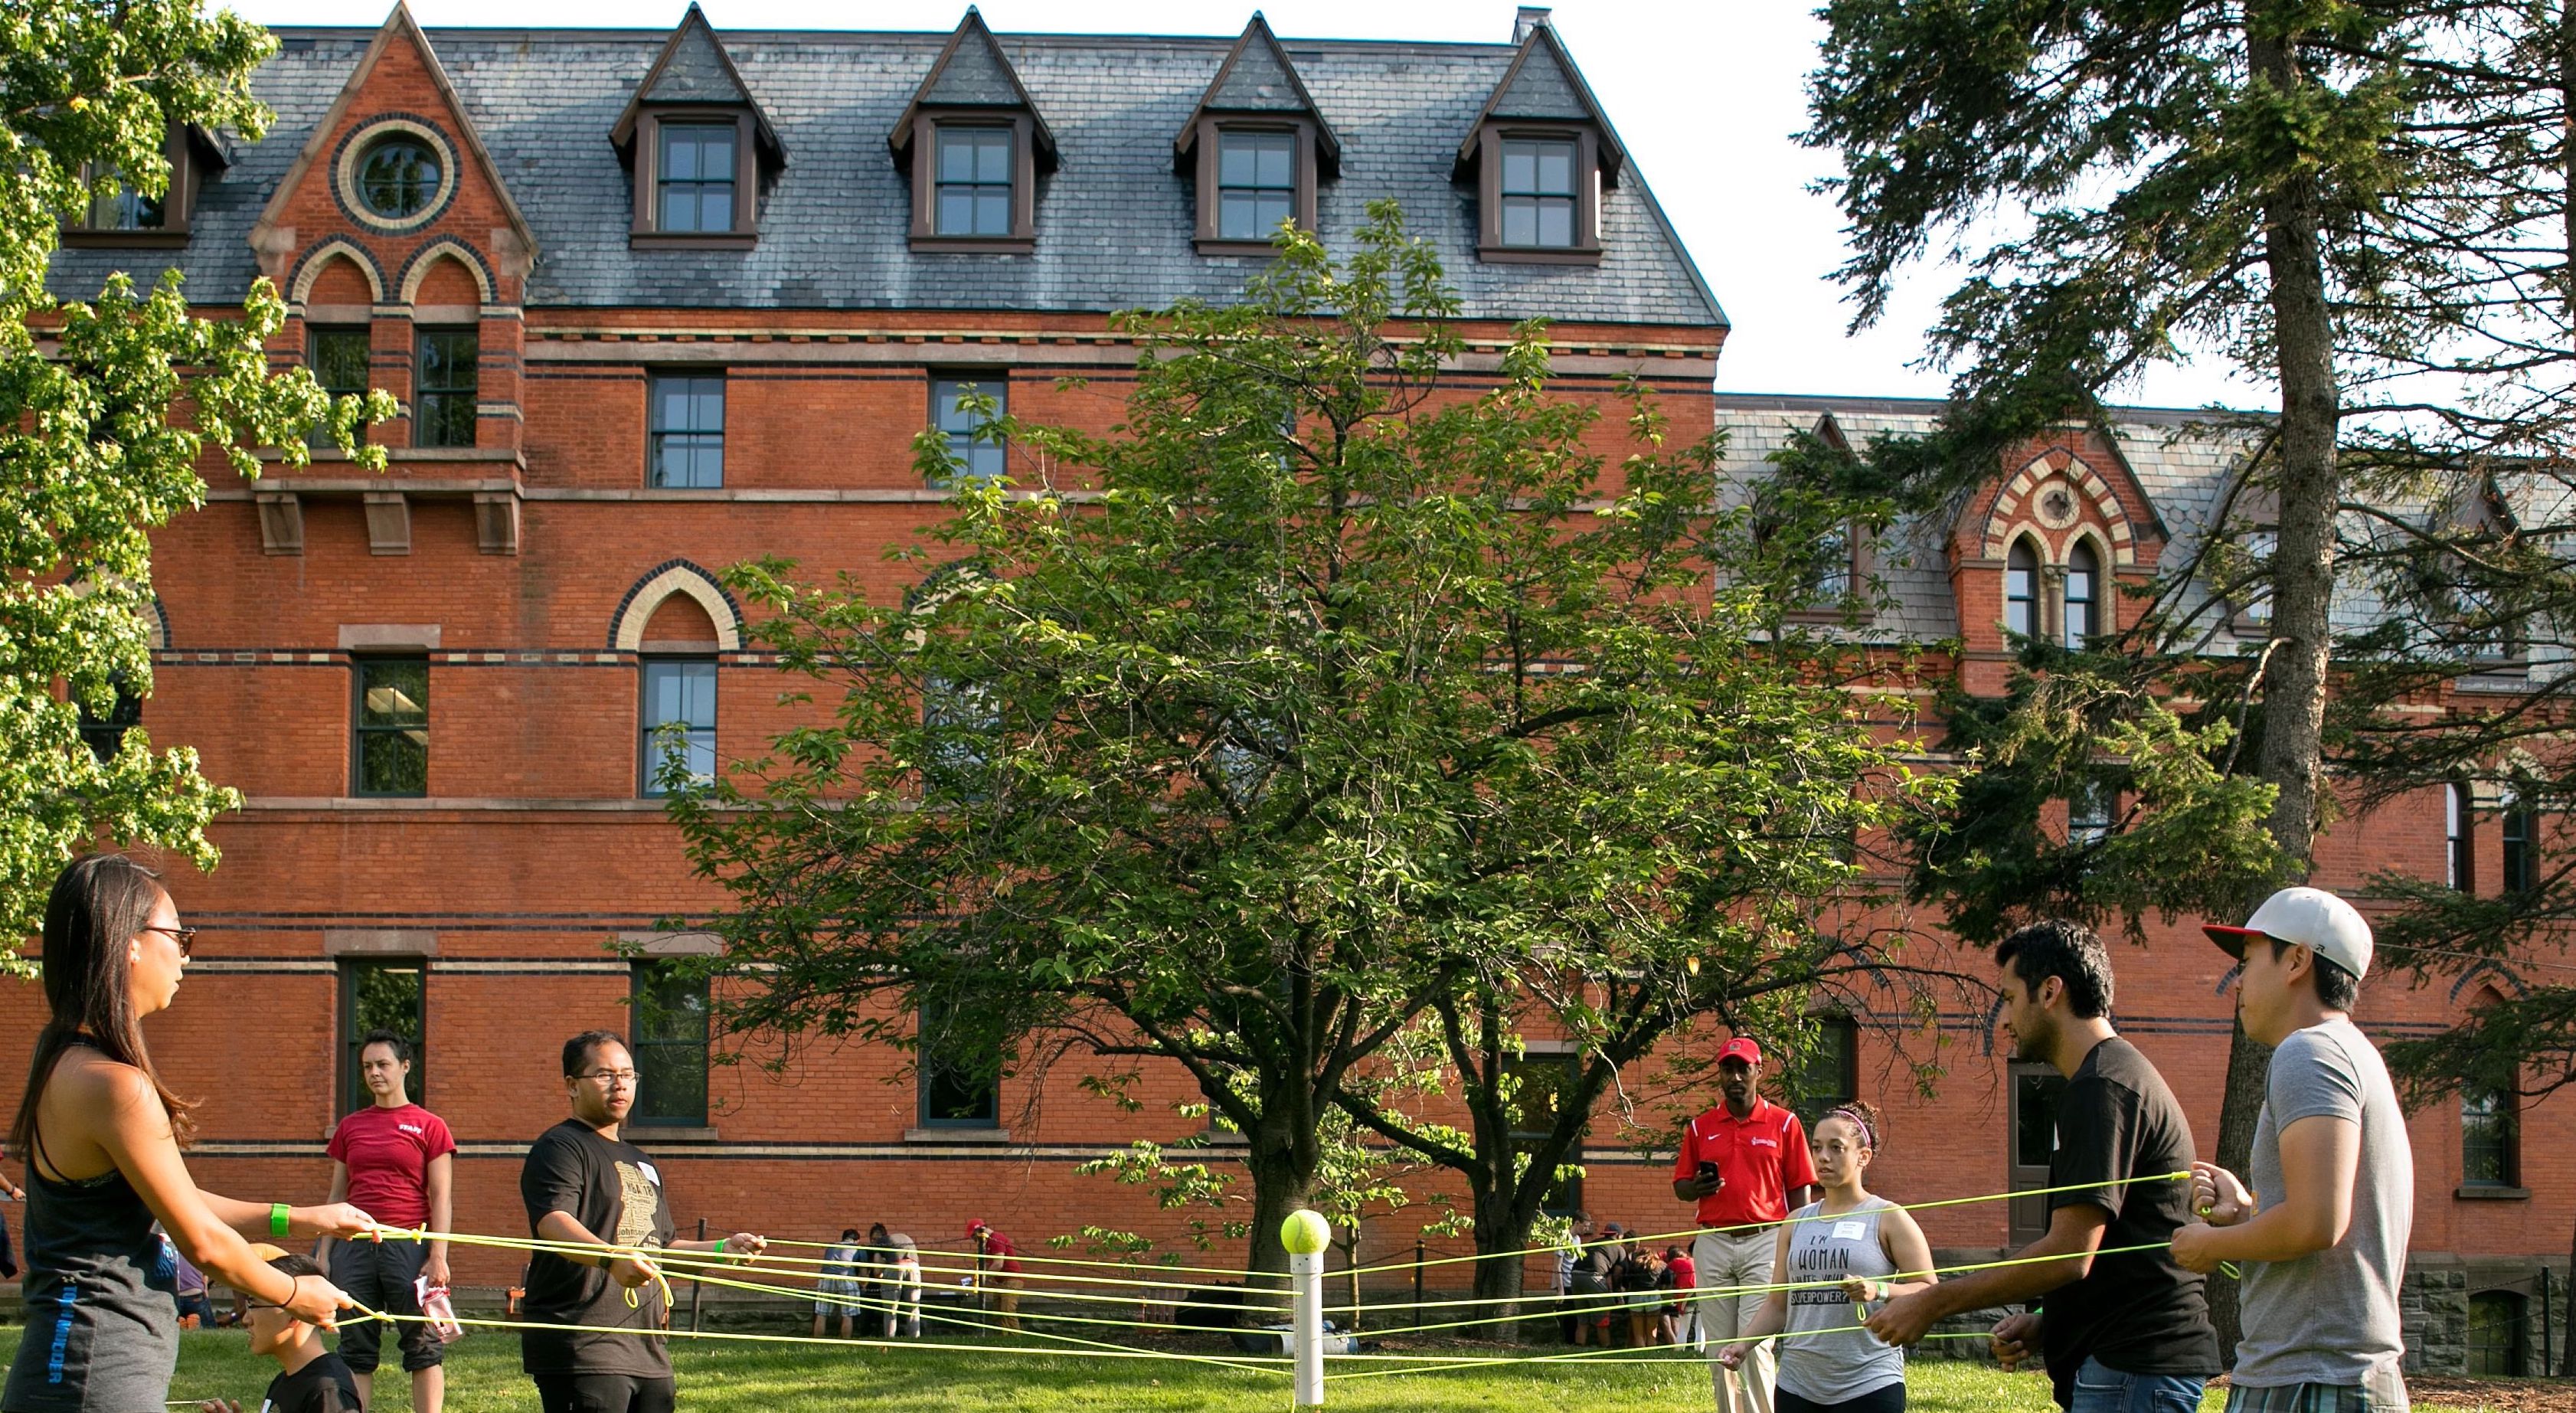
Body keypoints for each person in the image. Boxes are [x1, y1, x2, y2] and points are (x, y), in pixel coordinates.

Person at [2, 854, 374, 1413]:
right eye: (179, 935)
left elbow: (177, 1199)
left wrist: (300, 1217)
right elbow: (203, 1243)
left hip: (78, 1372)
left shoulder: (68, 1060)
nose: (184, 954)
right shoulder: (114, 1086)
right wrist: (296, 1293)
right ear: (127, 940)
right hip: (91, 1376)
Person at [1866, 920, 2219, 1413]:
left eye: (2009, 998)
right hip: (2127, 1365)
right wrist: (2048, 1323)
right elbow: (2118, 1250)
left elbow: (2070, 1253)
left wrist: (1932, 1301)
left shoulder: (2103, 1088)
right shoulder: (2105, 1079)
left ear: (2050, 991)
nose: (2003, 1019)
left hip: (2133, 1366)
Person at [2172, 888, 2414, 1412]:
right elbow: (2324, 1228)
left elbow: (2317, 1222)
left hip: (2311, 1382)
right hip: (2335, 1376)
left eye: (2249, 960)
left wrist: (2208, 1245)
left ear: (2298, 960)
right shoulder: (2352, 1051)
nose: (2238, 980)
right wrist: (2244, 1214)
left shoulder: (2310, 1051)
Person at [520, 1030, 767, 1413]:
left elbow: (662, 1248)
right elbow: (553, 1222)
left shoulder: (642, 1161)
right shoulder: (560, 1147)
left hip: (646, 1346)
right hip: (584, 1342)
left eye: (628, 1074)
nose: (619, 1085)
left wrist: (722, 1250)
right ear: (572, 1085)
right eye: (604, 1075)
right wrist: (611, 1258)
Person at [1719, 1102, 1935, 1413]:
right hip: (1798, 1384)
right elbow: (1778, 1304)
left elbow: (1928, 1288)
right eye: (1817, 1147)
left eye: (1836, 1148)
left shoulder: (1887, 1216)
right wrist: (1743, 1344)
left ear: (1863, 1157)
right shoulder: (1794, 1222)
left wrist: (1880, 1290)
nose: (1823, 1157)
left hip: (1870, 1382)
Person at [1675, 1035, 1819, 1413]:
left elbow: (1799, 1189)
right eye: (1728, 1069)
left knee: (1754, 1343)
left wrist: (1797, 1241)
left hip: (1765, 1241)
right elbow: (1682, 1187)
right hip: (1713, 1241)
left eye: (1743, 1068)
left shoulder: (1785, 1123)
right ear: (1720, 1075)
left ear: (1759, 1071)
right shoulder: (1700, 1126)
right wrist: (1698, 1186)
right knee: (1718, 1347)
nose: (1735, 1076)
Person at [322, 1029, 456, 1412]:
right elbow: (337, 1196)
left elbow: (441, 1197)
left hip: (408, 1248)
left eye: (383, 1064)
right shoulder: (351, 1126)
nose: (375, 1073)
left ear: (405, 1067)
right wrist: (325, 1254)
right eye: (367, 1066)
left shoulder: (430, 1126)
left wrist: (438, 1255)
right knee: (356, 1345)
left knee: (423, 1343)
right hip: (355, 1246)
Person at [194, 1248, 364, 1413]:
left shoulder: (328, 1390)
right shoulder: (283, 1382)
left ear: (294, 1315)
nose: (246, 1319)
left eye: (253, 1305)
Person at [1566, 1218, 1618, 1346]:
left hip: (1575, 1275)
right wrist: (1617, 1294)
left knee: (1582, 1319)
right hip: (1594, 1277)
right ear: (1618, 1236)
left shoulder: (1594, 1242)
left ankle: (1579, 1347)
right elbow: (1618, 1273)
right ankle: (1606, 1347)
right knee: (1602, 1317)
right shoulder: (1618, 1248)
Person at [967, 1219, 1023, 1332]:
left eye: (974, 1237)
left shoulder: (996, 1239)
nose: (974, 1240)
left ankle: (1016, 1339)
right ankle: (1002, 1339)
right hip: (1000, 1281)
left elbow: (998, 1264)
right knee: (998, 1313)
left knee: (1007, 1311)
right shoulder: (987, 1243)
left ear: (980, 1231)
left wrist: (983, 1277)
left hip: (1011, 1279)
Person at [868, 1225, 923, 1338]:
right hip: (914, 1266)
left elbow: (877, 1271)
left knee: (890, 1308)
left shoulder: (880, 1243)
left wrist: (881, 1276)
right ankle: (915, 1339)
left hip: (895, 1266)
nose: (873, 1242)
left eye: (873, 1239)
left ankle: (889, 1339)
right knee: (913, 1307)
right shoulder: (899, 1238)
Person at [815, 1228, 862, 1339]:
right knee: (848, 1313)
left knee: (822, 1312)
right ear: (857, 1240)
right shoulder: (858, 1249)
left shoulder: (832, 1246)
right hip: (846, 1276)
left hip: (826, 1276)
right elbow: (863, 1273)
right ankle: (846, 1342)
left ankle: (817, 1342)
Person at [1662, 1242, 1701, 1349]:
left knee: (1684, 1326)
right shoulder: (1695, 1261)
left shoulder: (1675, 1262)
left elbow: (1666, 1273)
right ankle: (1699, 1351)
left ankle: (1680, 1350)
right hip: (1701, 1291)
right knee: (1700, 1327)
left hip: (1686, 1294)